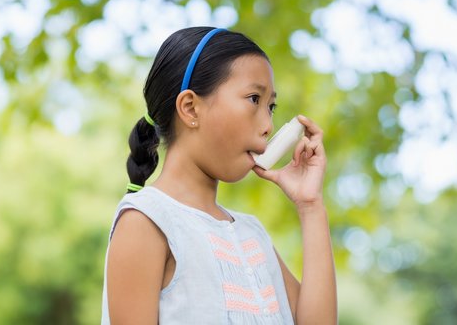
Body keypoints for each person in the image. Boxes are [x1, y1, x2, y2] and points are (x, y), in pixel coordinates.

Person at [101, 27, 337, 324]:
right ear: (190, 108)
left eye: (271, 107)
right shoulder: (146, 221)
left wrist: (311, 205)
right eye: (254, 99)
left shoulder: (253, 235)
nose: (268, 125)